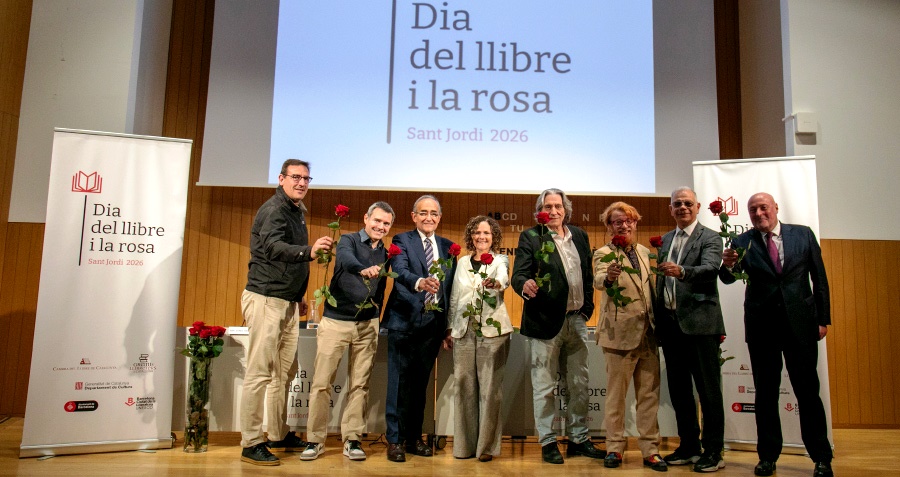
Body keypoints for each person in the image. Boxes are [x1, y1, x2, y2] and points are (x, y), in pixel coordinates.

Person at [719, 193, 833, 477]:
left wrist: (823, 319)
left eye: (763, 207)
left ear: (775, 209)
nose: (758, 213)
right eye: (752, 210)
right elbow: (727, 278)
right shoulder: (741, 242)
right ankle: (768, 457)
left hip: (802, 326)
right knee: (766, 395)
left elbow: (819, 279)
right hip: (762, 329)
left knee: (808, 394)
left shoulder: (803, 235)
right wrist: (729, 264)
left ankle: (821, 457)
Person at [239, 159, 332, 466]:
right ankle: (251, 441)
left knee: (284, 373)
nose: (301, 182)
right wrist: (310, 251)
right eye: (295, 177)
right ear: (281, 179)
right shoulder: (274, 209)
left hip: (287, 301)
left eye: (306, 178)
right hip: (266, 299)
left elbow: (284, 257)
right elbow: (272, 248)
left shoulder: (295, 210)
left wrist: (299, 296)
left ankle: (277, 434)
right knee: (259, 373)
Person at [511, 188, 605, 464]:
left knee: (579, 384)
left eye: (558, 206)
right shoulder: (531, 237)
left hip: (576, 320)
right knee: (544, 387)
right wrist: (524, 285)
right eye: (548, 206)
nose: (553, 211)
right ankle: (548, 441)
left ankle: (578, 439)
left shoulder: (581, 235)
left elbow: (586, 275)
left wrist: (587, 309)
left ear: (566, 209)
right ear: (540, 211)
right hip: (543, 323)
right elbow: (519, 275)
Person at [300, 202, 395, 462]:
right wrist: (361, 269)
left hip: (367, 324)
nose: (380, 227)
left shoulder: (385, 252)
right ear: (366, 218)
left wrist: (377, 316)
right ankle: (314, 440)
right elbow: (345, 259)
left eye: (386, 224)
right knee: (321, 383)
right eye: (377, 221)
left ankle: (352, 439)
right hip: (336, 322)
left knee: (360, 384)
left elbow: (381, 289)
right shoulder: (348, 240)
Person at [652, 186, 726, 472]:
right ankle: (689, 446)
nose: (682, 207)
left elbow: (710, 270)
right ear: (671, 209)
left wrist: (682, 271)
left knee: (708, 392)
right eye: (677, 204)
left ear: (697, 207)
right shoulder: (667, 239)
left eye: (687, 203)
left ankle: (714, 451)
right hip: (671, 327)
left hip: (701, 326)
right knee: (680, 391)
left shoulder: (711, 237)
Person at [382, 195, 457, 462]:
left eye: (433, 213)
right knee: (399, 384)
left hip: (432, 325)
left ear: (439, 217)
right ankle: (395, 440)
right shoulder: (402, 240)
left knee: (420, 385)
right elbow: (399, 269)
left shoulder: (449, 248)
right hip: (404, 321)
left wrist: (448, 328)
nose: (428, 218)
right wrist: (420, 282)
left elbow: (450, 291)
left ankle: (414, 437)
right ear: (414, 216)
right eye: (423, 213)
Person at [592, 202, 666, 472]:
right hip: (618, 335)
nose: (624, 225)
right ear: (609, 226)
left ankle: (651, 450)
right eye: (617, 222)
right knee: (616, 397)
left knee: (649, 395)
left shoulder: (645, 252)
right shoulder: (603, 253)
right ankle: (614, 448)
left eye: (629, 221)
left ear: (636, 223)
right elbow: (599, 280)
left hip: (648, 334)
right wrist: (609, 277)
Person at [443, 216, 513, 462]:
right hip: (463, 331)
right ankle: (463, 447)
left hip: (492, 332)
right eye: (477, 233)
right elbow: (454, 297)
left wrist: (496, 283)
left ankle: (485, 448)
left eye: (487, 233)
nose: (481, 237)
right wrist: (449, 328)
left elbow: (504, 278)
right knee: (464, 388)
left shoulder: (500, 260)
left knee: (490, 390)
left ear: (494, 237)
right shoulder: (462, 262)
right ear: (471, 236)